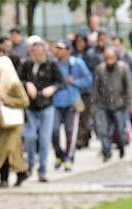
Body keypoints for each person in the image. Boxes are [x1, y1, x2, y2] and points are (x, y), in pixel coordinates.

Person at [19, 37, 64, 182]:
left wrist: (53, 88)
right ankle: (30, 163)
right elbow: (19, 79)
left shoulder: (51, 65)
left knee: (44, 139)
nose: (37, 56)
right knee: (30, 136)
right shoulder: (27, 64)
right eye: (34, 53)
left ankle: (42, 170)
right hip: (30, 106)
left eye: (40, 53)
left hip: (46, 106)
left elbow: (61, 82)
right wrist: (27, 84)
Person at [0, 56, 30, 188]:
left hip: (13, 122)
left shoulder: (14, 84)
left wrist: (6, 99)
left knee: (7, 149)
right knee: (3, 149)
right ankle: (21, 172)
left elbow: (24, 101)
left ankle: (4, 178)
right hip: (1, 121)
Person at [52, 41, 92, 171]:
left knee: (70, 132)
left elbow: (89, 80)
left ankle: (69, 158)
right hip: (55, 102)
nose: (58, 51)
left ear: (68, 50)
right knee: (54, 131)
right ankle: (59, 154)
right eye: (57, 48)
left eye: (61, 48)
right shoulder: (53, 64)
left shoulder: (77, 63)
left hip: (72, 103)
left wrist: (75, 82)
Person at [93, 47, 132, 161]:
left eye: (111, 58)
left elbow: (129, 86)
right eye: (106, 58)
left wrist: (128, 103)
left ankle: (121, 147)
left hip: (119, 104)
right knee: (103, 129)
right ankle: (106, 152)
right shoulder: (100, 69)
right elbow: (96, 87)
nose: (109, 60)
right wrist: (95, 103)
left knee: (120, 129)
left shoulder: (123, 68)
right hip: (103, 104)